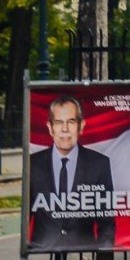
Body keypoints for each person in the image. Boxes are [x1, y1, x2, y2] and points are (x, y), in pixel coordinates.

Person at [29, 95, 114, 251]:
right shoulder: (32, 164)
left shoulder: (99, 164)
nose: (65, 129)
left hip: (84, 252)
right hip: (42, 252)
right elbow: (25, 215)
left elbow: (107, 220)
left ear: (81, 126)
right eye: (59, 122)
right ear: (50, 127)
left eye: (71, 122)